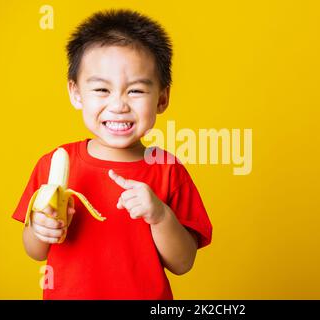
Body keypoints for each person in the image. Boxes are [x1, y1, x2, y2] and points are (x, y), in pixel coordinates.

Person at [12, 9, 212, 300]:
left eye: (136, 91)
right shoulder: (52, 162)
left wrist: (159, 216)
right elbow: (35, 251)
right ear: (76, 93)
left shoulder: (168, 170)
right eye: (102, 89)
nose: (119, 105)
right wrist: (40, 228)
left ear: (162, 98)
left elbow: (183, 263)